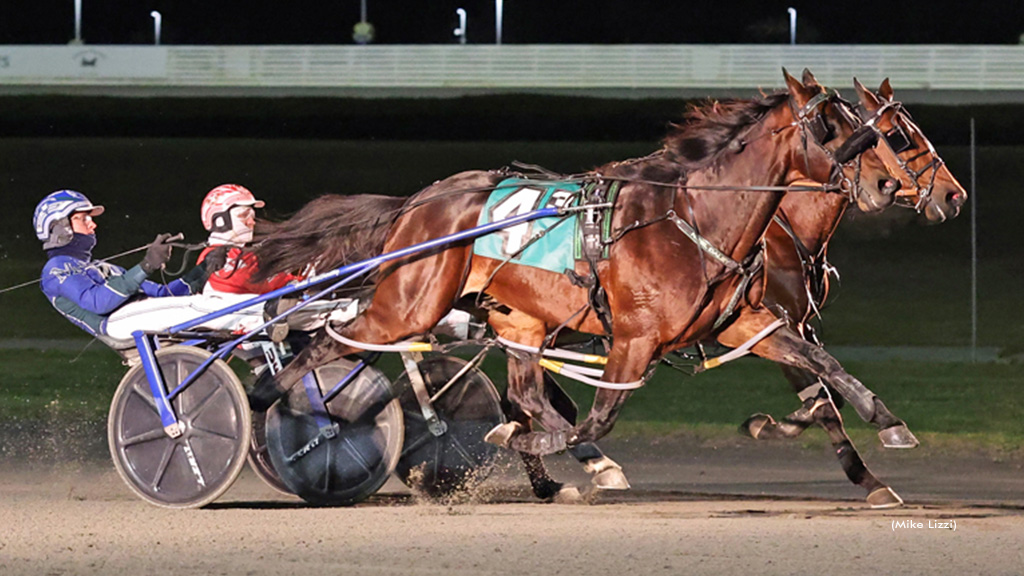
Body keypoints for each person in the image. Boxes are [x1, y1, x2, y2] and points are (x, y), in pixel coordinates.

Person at [34, 189, 248, 345]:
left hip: (135, 315)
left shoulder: (101, 267)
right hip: (116, 323)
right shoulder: (56, 268)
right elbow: (98, 303)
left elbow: (165, 295)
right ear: (60, 228)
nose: (93, 224)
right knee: (202, 306)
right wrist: (146, 265)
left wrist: (205, 268)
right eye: (83, 219)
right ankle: (258, 317)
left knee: (208, 304)